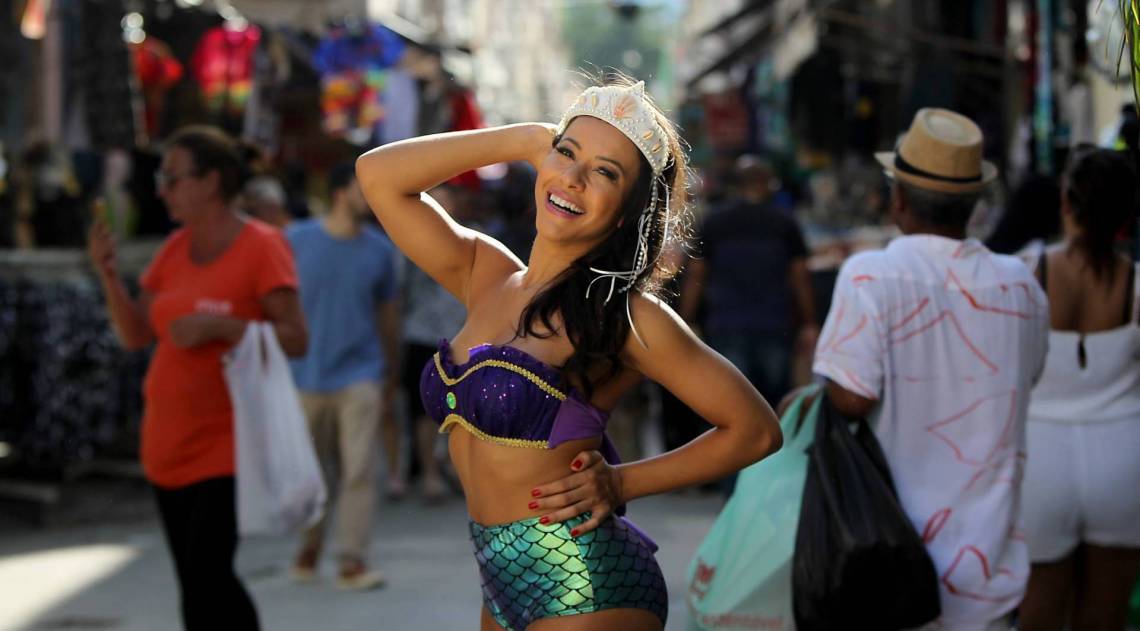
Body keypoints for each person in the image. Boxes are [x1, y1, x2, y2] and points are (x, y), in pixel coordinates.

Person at [355, 76, 782, 631]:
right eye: (567, 154)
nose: (573, 179)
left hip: (585, 583)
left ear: (628, 212)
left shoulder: (624, 316)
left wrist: (624, 481)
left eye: (605, 172)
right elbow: (378, 176)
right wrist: (527, 139)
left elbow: (755, 430)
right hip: (498, 576)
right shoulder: (484, 273)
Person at [810, 109, 1049, 630]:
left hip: (890, 555)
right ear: (975, 203)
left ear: (898, 198)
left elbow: (852, 398)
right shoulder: (1020, 284)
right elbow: (1027, 377)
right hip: (990, 561)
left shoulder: (872, 273)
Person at [87, 125, 307, 631]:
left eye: (172, 177)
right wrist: (108, 275)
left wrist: (221, 326)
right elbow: (136, 334)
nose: (162, 189)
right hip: (167, 443)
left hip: (228, 445)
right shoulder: (173, 248)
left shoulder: (262, 246)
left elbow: (296, 339)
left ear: (211, 181)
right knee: (194, 580)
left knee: (209, 573)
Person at [1017, 147, 1140, 631]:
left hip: (1041, 462)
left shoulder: (1025, 275)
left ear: (1066, 202)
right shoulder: (1135, 286)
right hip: (1123, 462)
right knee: (1105, 620)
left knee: (1039, 614)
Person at [286, 162, 402, 590]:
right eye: (361, 188)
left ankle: (351, 559)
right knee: (311, 473)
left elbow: (388, 317)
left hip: (361, 373)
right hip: (304, 376)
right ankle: (309, 546)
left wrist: (389, 373)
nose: (369, 196)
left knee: (358, 469)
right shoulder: (296, 241)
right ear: (339, 192)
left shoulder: (379, 251)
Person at [680, 154, 817, 407]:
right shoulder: (784, 222)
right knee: (775, 407)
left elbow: (697, 274)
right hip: (774, 324)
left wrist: (686, 320)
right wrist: (809, 322)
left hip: (726, 325)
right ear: (769, 183)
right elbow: (800, 277)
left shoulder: (714, 221)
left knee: (734, 406)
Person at [399, 183, 469, 503]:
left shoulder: (474, 237)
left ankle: (456, 469)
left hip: (464, 335)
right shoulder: (408, 240)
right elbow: (398, 291)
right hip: (421, 334)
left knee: (466, 410)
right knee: (424, 411)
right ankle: (429, 472)